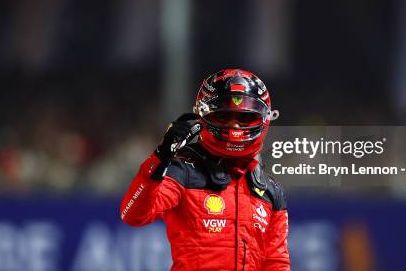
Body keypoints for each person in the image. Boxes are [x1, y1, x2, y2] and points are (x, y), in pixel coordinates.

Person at [120, 69, 290, 270]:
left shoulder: (270, 190)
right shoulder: (182, 169)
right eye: (224, 117)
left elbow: (275, 262)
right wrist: (161, 155)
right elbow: (132, 214)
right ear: (203, 115)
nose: (234, 126)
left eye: (244, 118)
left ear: (265, 118)